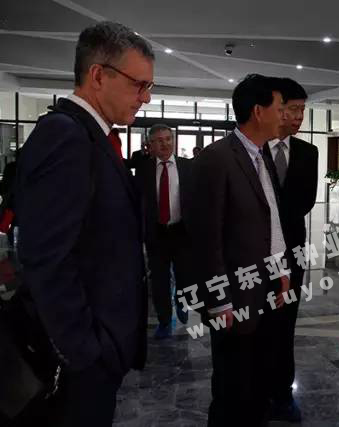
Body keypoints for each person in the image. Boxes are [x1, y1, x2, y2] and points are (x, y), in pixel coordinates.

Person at [13, 21, 154, 426]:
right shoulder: (65, 135)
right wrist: (85, 352)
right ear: (98, 75)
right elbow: (44, 257)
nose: (145, 98)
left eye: (149, 87)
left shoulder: (95, 136)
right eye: (138, 85)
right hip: (80, 361)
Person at [190, 74, 288, 427]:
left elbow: (270, 217)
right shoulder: (216, 159)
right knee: (232, 387)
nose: (284, 115)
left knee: (259, 380)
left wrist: (281, 271)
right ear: (259, 111)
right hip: (233, 297)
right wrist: (219, 301)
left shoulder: (262, 156)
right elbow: (206, 238)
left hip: (264, 288)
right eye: (280, 108)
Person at [262, 78, 318, 423]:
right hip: (255, 254)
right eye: (292, 109)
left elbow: (305, 201)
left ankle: (282, 395)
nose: (298, 117)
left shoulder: (308, 152)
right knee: (256, 325)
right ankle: (256, 393)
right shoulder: (254, 148)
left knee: (285, 325)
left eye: (302, 110)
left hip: (293, 250)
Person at [136, 123, 194, 339]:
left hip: (182, 231)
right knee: (159, 280)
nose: (165, 144)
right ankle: (164, 320)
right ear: (150, 144)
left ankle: (182, 301)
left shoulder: (188, 166)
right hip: (156, 233)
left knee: (185, 275)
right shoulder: (144, 170)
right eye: (159, 140)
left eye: (168, 139)